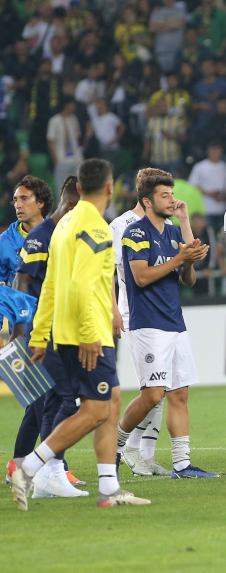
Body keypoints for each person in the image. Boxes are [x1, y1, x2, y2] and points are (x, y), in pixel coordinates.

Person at [10, 158, 151, 510]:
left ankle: (109, 487)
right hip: (87, 335)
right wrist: (91, 334)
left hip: (62, 331)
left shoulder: (64, 224)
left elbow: (52, 287)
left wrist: (40, 335)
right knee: (93, 411)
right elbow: (82, 285)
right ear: (108, 187)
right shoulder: (96, 228)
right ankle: (28, 467)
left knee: (112, 401)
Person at [116, 172, 216, 479]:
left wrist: (186, 259)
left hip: (175, 322)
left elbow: (188, 280)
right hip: (147, 325)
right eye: (164, 196)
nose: (171, 200)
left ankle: (182, 465)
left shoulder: (173, 232)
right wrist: (178, 259)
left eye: (172, 194)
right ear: (147, 201)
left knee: (180, 394)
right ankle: (116, 446)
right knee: (152, 395)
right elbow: (141, 277)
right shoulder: (134, 233)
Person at [10, 177, 82, 499]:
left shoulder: (62, 231)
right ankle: (51, 469)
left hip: (55, 329)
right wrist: (20, 332)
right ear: (71, 203)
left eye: (23, 198)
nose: (17, 204)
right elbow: (21, 281)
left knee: (40, 404)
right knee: (58, 400)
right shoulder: (43, 236)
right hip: (38, 331)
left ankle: (22, 468)